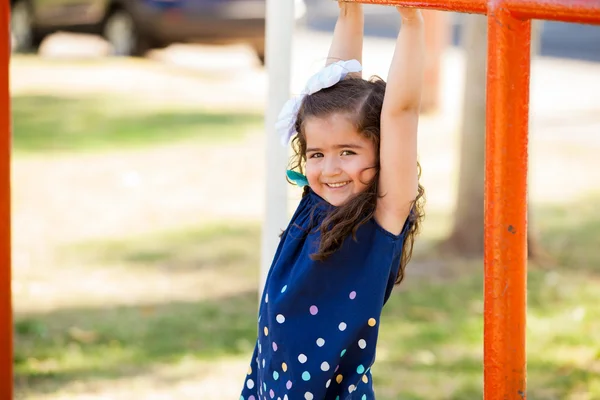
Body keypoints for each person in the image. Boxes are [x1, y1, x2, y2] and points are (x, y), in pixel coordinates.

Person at [240, 2, 425, 399]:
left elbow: (401, 112)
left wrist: (411, 20)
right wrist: (349, 12)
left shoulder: (381, 218)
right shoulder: (318, 200)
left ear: (381, 151)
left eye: (348, 152)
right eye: (317, 154)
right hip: (270, 382)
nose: (330, 169)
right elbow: (337, 81)